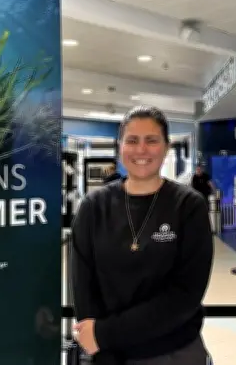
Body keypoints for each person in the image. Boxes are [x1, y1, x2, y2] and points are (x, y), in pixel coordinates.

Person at [70, 105, 215, 364]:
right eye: (132, 140)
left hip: (173, 351)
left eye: (152, 140)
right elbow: (83, 287)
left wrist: (105, 334)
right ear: (120, 146)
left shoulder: (188, 206)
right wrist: (101, 346)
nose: (141, 150)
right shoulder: (93, 206)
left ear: (166, 147)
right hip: (110, 354)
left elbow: (185, 295)